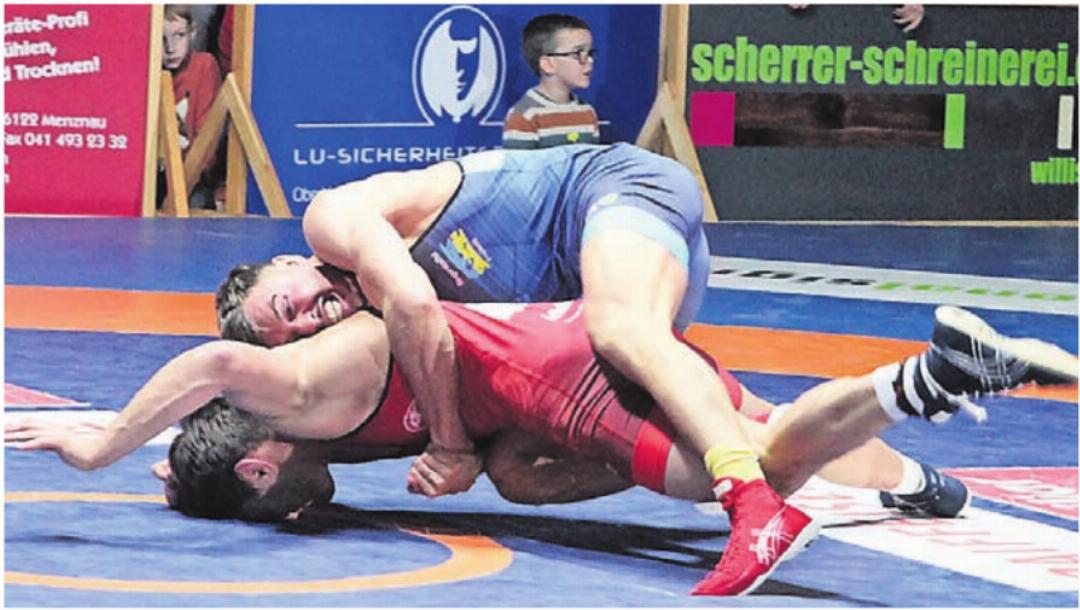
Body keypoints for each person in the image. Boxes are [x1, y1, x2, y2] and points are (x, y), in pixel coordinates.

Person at [9, 299, 1076, 594]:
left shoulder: (301, 392)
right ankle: (922, 461)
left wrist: (106, 446)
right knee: (528, 474)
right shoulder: (282, 437)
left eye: (277, 507)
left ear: (262, 464)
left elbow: (212, 363)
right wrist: (166, 457)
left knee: (753, 471)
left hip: (558, 374)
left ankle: (931, 376)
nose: (303, 513)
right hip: (541, 386)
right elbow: (211, 421)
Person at [503, 14, 600, 149]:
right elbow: (518, 162)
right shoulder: (525, 115)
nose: (590, 60)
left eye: (590, 53)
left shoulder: (587, 112)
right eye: (577, 53)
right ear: (547, 64)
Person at [161, 4, 223, 210]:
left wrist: (187, 178)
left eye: (179, 36)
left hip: (192, 173)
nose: (170, 48)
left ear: (193, 32)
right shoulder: (144, 69)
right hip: (155, 174)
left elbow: (207, 138)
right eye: (161, 39)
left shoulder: (203, 66)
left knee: (197, 203)